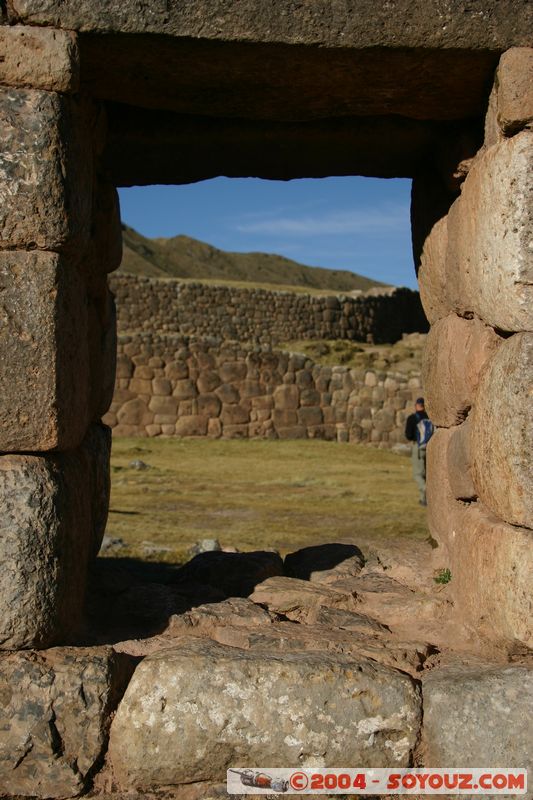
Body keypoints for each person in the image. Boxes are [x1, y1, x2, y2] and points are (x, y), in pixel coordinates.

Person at [405, 397, 433, 506]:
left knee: (417, 474)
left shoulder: (412, 418)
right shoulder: (429, 417)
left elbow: (408, 435)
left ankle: (426, 489)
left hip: (418, 447)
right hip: (429, 447)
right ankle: (424, 499)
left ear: (416, 405)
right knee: (426, 474)